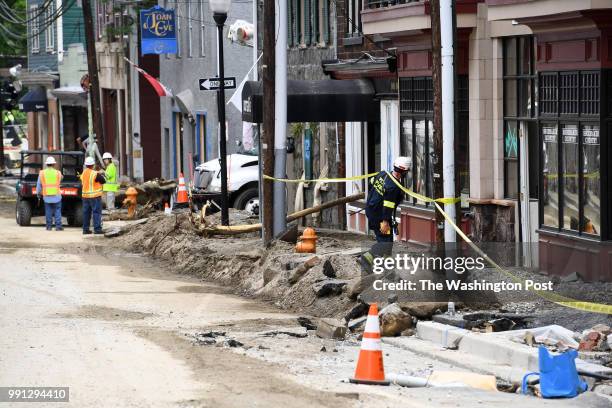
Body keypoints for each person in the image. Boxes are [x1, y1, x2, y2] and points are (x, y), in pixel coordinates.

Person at [360, 156, 411, 272]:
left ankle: (387, 265)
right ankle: (366, 259)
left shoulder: (383, 174)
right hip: (379, 216)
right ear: (404, 172)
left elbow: (371, 182)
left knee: (388, 239)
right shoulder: (393, 186)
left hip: (372, 209)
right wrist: (385, 221)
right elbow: (388, 206)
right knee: (384, 242)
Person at [36, 156, 63, 231]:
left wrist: (38, 194)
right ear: (54, 164)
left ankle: (49, 226)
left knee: (48, 211)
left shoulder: (42, 173)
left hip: (46, 196)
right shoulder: (58, 173)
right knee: (57, 211)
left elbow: (38, 185)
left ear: (46, 164)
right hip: (56, 196)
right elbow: (61, 178)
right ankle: (58, 227)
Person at [81, 156, 106, 235]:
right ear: (93, 165)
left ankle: (85, 229)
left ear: (86, 165)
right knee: (96, 212)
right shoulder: (95, 174)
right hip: (94, 196)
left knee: (86, 213)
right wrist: (100, 173)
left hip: (85, 197)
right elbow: (103, 181)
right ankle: (97, 229)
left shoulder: (83, 173)